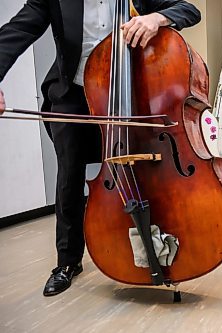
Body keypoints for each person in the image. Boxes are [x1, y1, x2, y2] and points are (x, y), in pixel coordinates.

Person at [0, 0, 201, 296]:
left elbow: (188, 9)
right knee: (69, 173)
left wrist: (157, 18)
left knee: (142, 163)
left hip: (129, 88)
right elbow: (17, 31)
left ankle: (156, 237)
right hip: (74, 90)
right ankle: (67, 263)